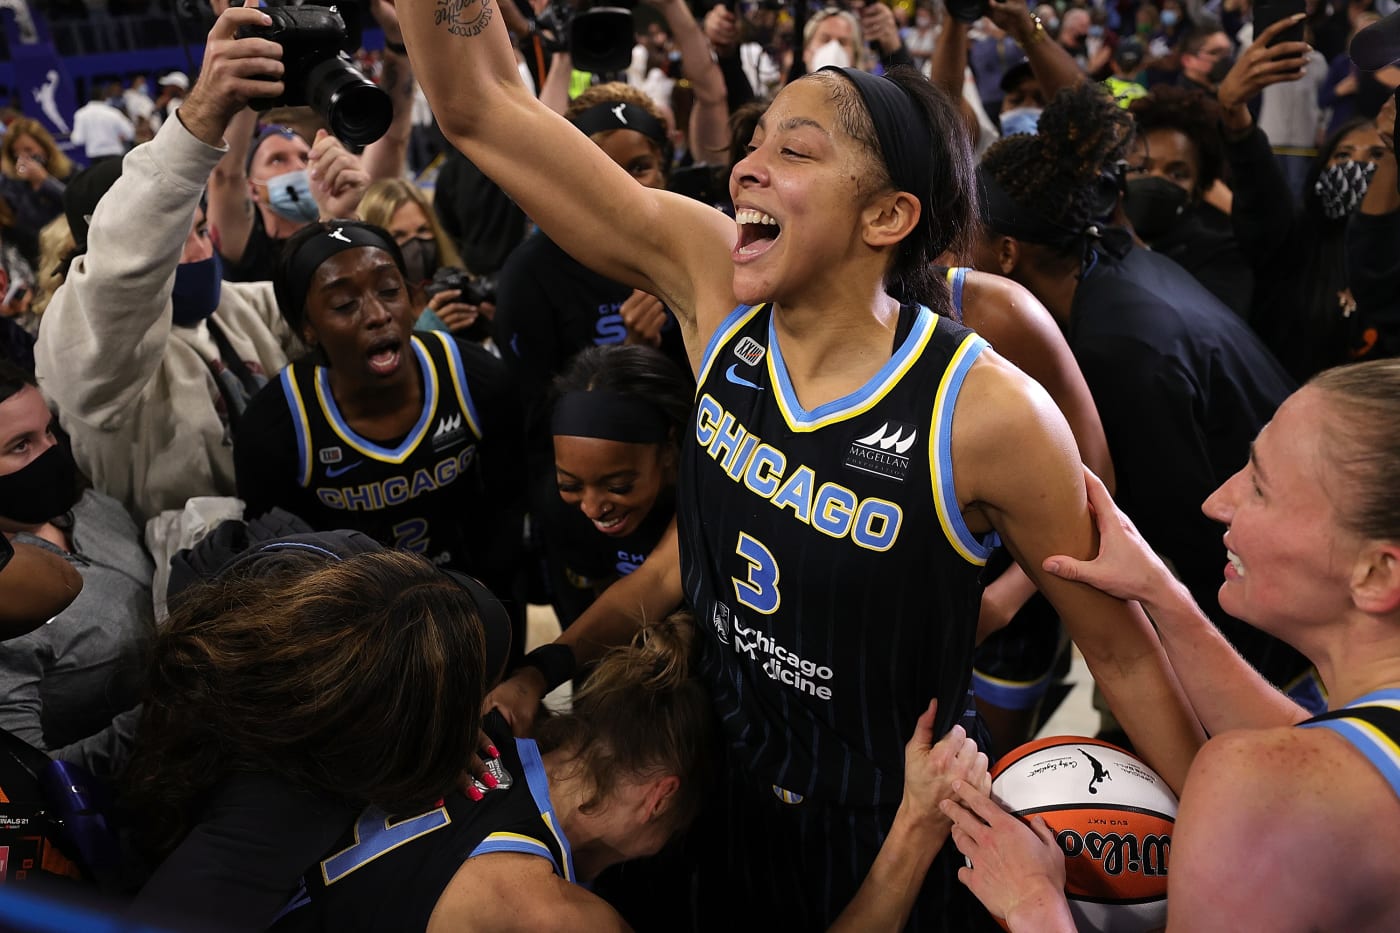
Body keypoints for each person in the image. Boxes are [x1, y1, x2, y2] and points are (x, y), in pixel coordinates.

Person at [397, 1, 1204, 927]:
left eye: (796, 150)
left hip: (889, 822)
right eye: (757, 140)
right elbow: (481, 106)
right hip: (709, 778)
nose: (747, 164)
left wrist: (1244, 867)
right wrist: (549, 664)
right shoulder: (713, 283)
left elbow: (1124, 656)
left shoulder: (987, 412)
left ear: (888, 215)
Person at [942, 358, 1400, 932]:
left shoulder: (1261, 791)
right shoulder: (1334, 763)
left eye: (1260, 487)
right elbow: (1308, 740)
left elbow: (1280, 773)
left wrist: (1036, 906)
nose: (1218, 502)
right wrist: (1165, 597)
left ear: (1377, 575)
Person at [977, 81, 1319, 716]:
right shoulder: (1116, 262)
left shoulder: (1118, 348)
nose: (950, 254)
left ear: (1006, 253)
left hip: (1274, 629)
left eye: (963, 234)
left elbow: (1185, 538)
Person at [33, 7, 305, 531]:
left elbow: (322, 310)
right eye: (175, 239)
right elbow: (120, 274)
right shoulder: (80, 346)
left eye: (201, 230)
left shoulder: (232, 308)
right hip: (195, 593)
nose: (200, 251)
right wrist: (200, 116)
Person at [233, 218, 527, 664]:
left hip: (477, 602)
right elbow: (281, 567)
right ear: (307, 327)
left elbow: (509, 506)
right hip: (355, 635)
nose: (376, 314)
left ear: (412, 298)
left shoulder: (476, 379)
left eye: (389, 291)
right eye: (345, 303)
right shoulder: (276, 425)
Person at [1218, 14, 1395, 377]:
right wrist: (1233, 111)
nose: (1357, 166)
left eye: (1377, 155)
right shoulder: (1294, 244)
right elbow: (1261, 191)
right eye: (1342, 156)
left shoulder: (1388, 261)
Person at [0, 364, 152, 781]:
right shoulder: (7, 609)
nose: (50, 450)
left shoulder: (92, 508)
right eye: (20, 446)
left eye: (48, 431)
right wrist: (162, 721)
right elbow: (31, 775)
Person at [538, 344, 689, 628]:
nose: (592, 508)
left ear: (667, 450)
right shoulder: (558, 509)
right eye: (570, 484)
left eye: (619, 486)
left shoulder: (704, 493)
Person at [1124, 86, 1253, 317]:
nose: (1156, 180)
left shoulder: (1222, 255)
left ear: (1198, 188)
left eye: (1177, 174)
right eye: (1142, 168)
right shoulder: (1096, 242)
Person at [358, 177, 495, 340]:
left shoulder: (453, 286)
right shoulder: (370, 311)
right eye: (399, 235)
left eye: (423, 230)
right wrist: (427, 332)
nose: (416, 244)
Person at [0, 118, 74, 266]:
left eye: (28, 150)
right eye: (16, 154)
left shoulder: (70, 172)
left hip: (68, 253)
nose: (23, 159)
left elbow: (77, 205)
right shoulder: (10, 185)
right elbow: (21, 225)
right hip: (32, 259)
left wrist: (45, 182)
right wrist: (30, 186)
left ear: (44, 148)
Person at [69, 86, 135, 162]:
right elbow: (130, 133)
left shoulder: (81, 114)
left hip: (95, 156)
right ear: (104, 97)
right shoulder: (113, 113)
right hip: (115, 155)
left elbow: (77, 140)